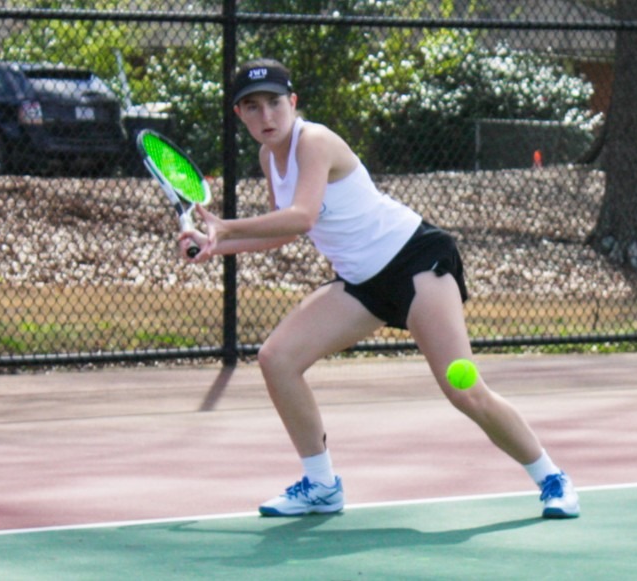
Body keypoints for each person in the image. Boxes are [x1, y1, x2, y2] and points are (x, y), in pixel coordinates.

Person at [179, 58, 580, 519]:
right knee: (277, 359)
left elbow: (302, 217)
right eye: (252, 106)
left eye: (274, 102)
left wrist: (227, 227)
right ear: (239, 114)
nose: (266, 115)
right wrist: (215, 245)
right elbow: (284, 230)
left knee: (463, 388)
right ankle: (321, 485)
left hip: (415, 263)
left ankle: (552, 477)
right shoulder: (270, 157)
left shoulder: (315, 141)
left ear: (292, 102)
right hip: (361, 282)